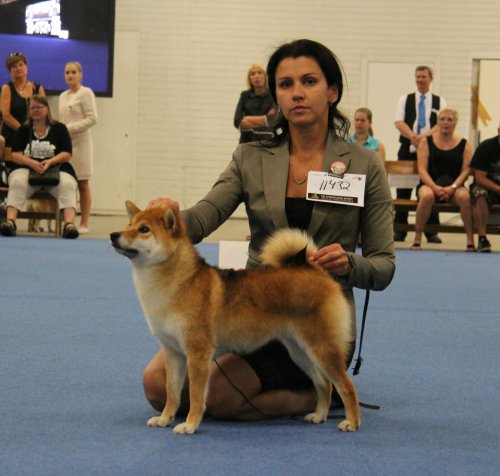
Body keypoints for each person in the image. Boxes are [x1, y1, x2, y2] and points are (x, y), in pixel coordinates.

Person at [143, 39, 395, 421]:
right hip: (250, 308)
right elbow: (205, 216)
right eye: (285, 84)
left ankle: (312, 398)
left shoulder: (364, 164)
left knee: (217, 395)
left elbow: (383, 266)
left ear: (333, 91)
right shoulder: (251, 156)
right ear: (275, 94)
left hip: (314, 312)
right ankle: (305, 389)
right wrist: (171, 218)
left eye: (309, 82)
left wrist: (350, 265)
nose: (296, 93)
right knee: (156, 384)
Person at [0, 95, 79, 238]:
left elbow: (67, 153)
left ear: (47, 109)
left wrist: (50, 162)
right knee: (17, 182)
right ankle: (10, 222)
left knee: (68, 184)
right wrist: (31, 163)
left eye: (39, 107)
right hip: (27, 168)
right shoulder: (24, 130)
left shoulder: (60, 128)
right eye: (32, 108)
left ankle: (69, 225)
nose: (35, 110)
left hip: (56, 168)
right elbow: (15, 155)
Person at [410, 109, 475, 251]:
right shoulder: (426, 142)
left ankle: (470, 240)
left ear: (455, 123)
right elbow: (422, 170)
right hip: (430, 185)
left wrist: (453, 187)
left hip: (455, 186)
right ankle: (417, 238)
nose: (445, 123)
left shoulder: (465, 144)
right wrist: (435, 188)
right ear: (438, 122)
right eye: (442, 119)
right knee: (426, 196)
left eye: (450, 120)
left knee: (465, 197)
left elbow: (466, 170)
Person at [394, 65, 445, 243]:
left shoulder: (440, 101)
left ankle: (431, 231)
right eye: (417, 77)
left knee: (428, 189)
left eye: (423, 77)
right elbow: (398, 122)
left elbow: (440, 125)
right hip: (407, 150)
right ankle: (400, 229)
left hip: (430, 153)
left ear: (431, 79)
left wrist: (423, 138)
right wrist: (413, 137)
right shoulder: (405, 99)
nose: (420, 80)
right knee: (403, 190)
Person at [58, 61, 98, 234]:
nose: (70, 75)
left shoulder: (86, 93)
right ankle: (68, 222)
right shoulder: (62, 96)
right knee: (66, 182)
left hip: (81, 143)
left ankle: (84, 222)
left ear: (80, 74)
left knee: (82, 183)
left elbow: (93, 119)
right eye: (67, 72)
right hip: (65, 144)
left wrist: (70, 128)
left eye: (73, 72)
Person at [1, 52, 45, 164]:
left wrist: (35, 133)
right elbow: (5, 115)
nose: (18, 68)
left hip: (36, 136)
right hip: (12, 137)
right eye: (14, 66)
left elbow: (44, 113)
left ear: (26, 66)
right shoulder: (7, 88)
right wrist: (23, 131)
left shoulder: (37, 88)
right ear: (10, 70)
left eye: (21, 65)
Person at [470, 122, 500, 252]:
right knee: (479, 194)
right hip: (489, 187)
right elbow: (479, 178)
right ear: (499, 131)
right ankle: (482, 239)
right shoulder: (486, 147)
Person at [233, 64, 277, 143]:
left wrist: (247, 119)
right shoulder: (245, 95)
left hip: (267, 140)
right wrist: (264, 120)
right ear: (249, 79)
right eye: (253, 74)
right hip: (247, 141)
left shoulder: (273, 95)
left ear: (265, 76)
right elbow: (237, 121)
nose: (256, 76)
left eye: (260, 73)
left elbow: (273, 119)